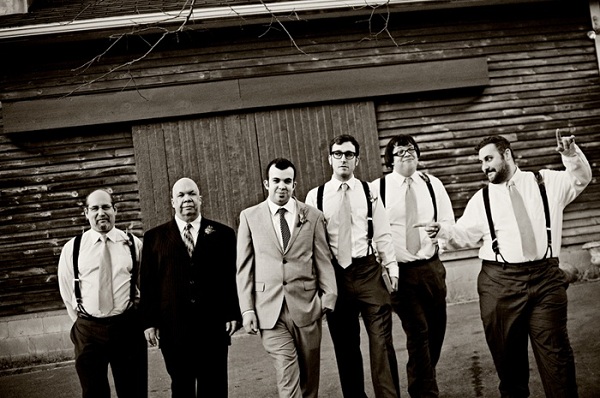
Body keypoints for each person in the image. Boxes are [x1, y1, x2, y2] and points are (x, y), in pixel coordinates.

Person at [418, 132, 591, 398]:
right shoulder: (482, 199)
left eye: (489, 159)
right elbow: (463, 234)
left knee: (557, 358)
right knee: (509, 363)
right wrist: (442, 231)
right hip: (500, 284)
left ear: (507, 154)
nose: (484, 166)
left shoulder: (545, 181)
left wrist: (570, 155)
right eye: (481, 162)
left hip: (546, 278)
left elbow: (581, 178)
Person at [305, 134, 401, 398]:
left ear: (357, 160)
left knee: (382, 342)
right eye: (338, 154)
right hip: (336, 275)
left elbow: (382, 233)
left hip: (368, 270)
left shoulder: (370, 192)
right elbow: (312, 244)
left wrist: (392, 269)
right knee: (346, 347)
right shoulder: (316, 196)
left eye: (349, 154)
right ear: (330, 159)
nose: (343, 159)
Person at [236, 158, 337, 398]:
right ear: (266, 184)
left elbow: (323, 259)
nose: (282, 186)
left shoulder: (312, 216)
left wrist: (328, 298)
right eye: (276, 181)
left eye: (287, 181)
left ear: (294, 185)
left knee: (309, 378)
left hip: (307, 307)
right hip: (269, 310)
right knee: (286, 370)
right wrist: (247, 310)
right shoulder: (250, 217)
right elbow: (244, 267)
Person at [139, 177, 240, 398]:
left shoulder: (223, 235)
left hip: (212, 326)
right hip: (173, 326)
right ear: (172, 202)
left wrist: (233, 311)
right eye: (181, 195)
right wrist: (149, 322)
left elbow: (231, 277)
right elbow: (147, 284)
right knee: (182, 386)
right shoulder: (154, 238)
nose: (187, 199)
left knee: (214, 386)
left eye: (192, 194)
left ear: (200, 198)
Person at [371, 134, 455, 398]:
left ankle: (422, 376)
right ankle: (424, 392)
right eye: (400, 152)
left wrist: (440, 231)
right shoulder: (377, 188)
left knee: (436, 329)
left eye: (411, 150)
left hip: (430, 268)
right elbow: (370, 229)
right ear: (390, 160)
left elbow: (449, 222)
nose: (407, 155)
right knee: (418, 330)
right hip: (400, 272)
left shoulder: (432, 184)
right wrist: (383, 262)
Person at [58, 189, 147, 398]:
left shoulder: (134, 244)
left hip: (126, 328)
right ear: (86, 213)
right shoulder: (73, 248)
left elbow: (144, 285)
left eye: (106, 207)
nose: (101, 213)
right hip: (88, 331)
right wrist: (80, 323)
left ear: (115, 210)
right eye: (95, 208)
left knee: (133, 390)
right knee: (93, 392)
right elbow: (66, 288)